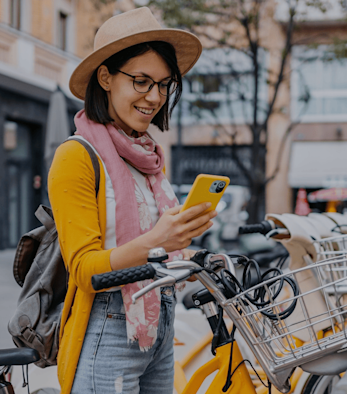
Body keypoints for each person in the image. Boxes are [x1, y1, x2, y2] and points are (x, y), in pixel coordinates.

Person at [47, 7, 213, 394]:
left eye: (164, 85)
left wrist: (188, 254)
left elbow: (155, 254)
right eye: (141, 81)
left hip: (161, 322)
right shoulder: (76, 156)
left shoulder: (148, 158)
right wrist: (158, 241)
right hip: (110, 327)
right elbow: (84, 271)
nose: (154, 97)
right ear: (105, 77)